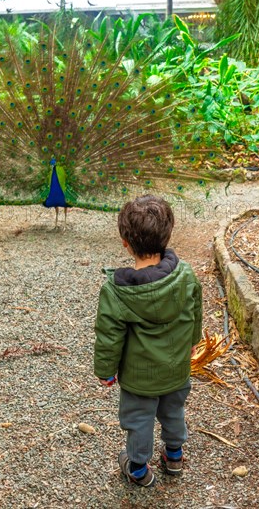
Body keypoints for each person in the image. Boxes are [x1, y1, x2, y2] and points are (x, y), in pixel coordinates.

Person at [94, 195, 202, 487]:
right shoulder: (186, 275)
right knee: (173, 411)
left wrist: (105, 370)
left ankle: (139, 469)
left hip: (140, 378)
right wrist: (194, 339)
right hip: (178, 369)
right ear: (167, 234)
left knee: (139, 420)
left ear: (125, 242)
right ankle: (175, 455)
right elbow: (195, 311)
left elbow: (109, 336)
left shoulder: (117, 292)